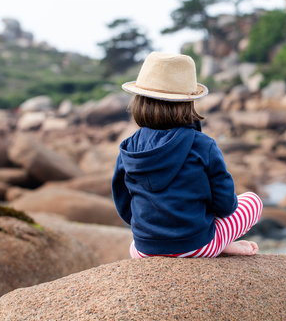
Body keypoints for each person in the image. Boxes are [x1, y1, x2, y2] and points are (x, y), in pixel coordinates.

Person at [112, 52, 263, 258]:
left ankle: (215, 243)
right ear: (188, 102)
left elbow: (123, 205)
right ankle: (220, 243)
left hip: (144, 250)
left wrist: (153, 230)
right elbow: (225, 205)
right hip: (197, 246)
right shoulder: (203, 145)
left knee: (136, 244)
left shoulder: (128, 146)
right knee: (253, 201)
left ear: (139, 101)